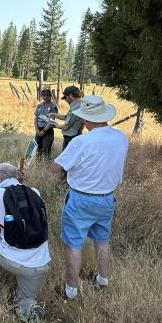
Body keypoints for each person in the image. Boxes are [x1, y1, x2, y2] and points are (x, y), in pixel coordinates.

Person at [50, 95, 128, 300]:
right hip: (107, 198)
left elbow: (56, 168)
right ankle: (103, 281)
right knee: (102, 240)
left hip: (80, 198)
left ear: (86, 119)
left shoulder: (81, 141)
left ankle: (71, 291)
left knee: (74, 245)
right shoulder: (121, 137)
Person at [0, 163, 50, 323]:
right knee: (25, 299)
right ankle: (31, 308)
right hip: (41, 263)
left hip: (14, 260)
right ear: (17, 177)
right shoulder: (35, 192)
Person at [48, 86, 84, 150]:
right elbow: (67, 117)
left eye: (66, 97)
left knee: (66, 159)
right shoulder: (78, 105)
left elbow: (66, 127)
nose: (66, 100)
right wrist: (54, 114)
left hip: (71, 138)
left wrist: (53, 125)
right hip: (73, 137)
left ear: (70, 95)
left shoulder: (76, 108)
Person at [34, 88, 58, 159]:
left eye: (47, 95)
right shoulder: (39, 105)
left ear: (50, 96)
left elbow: (51, 121)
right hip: (38, 130)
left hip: (47, 130)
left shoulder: (53, 106)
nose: (45, 97)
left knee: (46, 149)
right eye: (43, 95)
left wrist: (44, 131)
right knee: (37, 149)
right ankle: (38, 165)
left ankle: (46, 166)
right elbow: (35, 118)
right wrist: (37, 130)